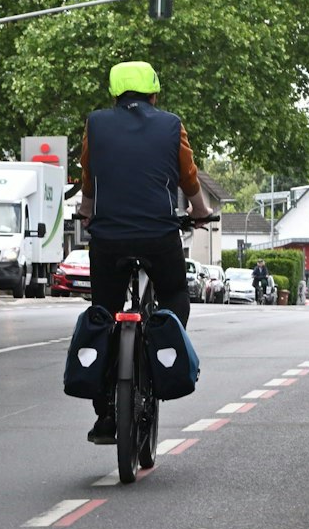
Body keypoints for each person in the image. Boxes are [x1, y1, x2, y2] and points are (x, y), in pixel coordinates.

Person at [75, 59, 214, 445]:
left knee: (103, 310)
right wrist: (199, 213)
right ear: (154, 92)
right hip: (159, 234)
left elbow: (90, 175)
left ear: (115, 93)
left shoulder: (96, 124)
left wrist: (87, 212)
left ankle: (105, 410)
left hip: (108, 236)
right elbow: (188, 177)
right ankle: (159, 356)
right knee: (174, 294)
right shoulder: (172, 125)